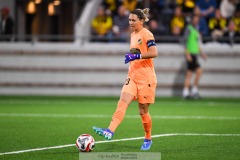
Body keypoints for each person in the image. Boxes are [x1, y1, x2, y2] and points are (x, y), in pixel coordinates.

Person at [93, 8, 158, 151]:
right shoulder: (133, 35)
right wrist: (132, 59)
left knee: (143, 111)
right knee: (122, 102)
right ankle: (110, 130)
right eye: (129, 20)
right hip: (133, 77)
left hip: (146, 78)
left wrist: (135, 56)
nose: (130, 22)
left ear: (141, 20)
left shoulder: (147, 34)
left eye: (133, 20)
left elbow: (154, 52)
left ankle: (148, 138)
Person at [182, 15, 208, 99]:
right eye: (195, 19)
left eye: (198, 19)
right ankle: (193, 91)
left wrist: (202, 53)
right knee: (197, 71)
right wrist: (187, 54)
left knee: (190, 73)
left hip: (195, 54)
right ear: (192, 20)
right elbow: (185, 41)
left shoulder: (196, 29)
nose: (196, 21)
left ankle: (186, 92)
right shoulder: (189, 28)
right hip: (191, 54)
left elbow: (197, 43)